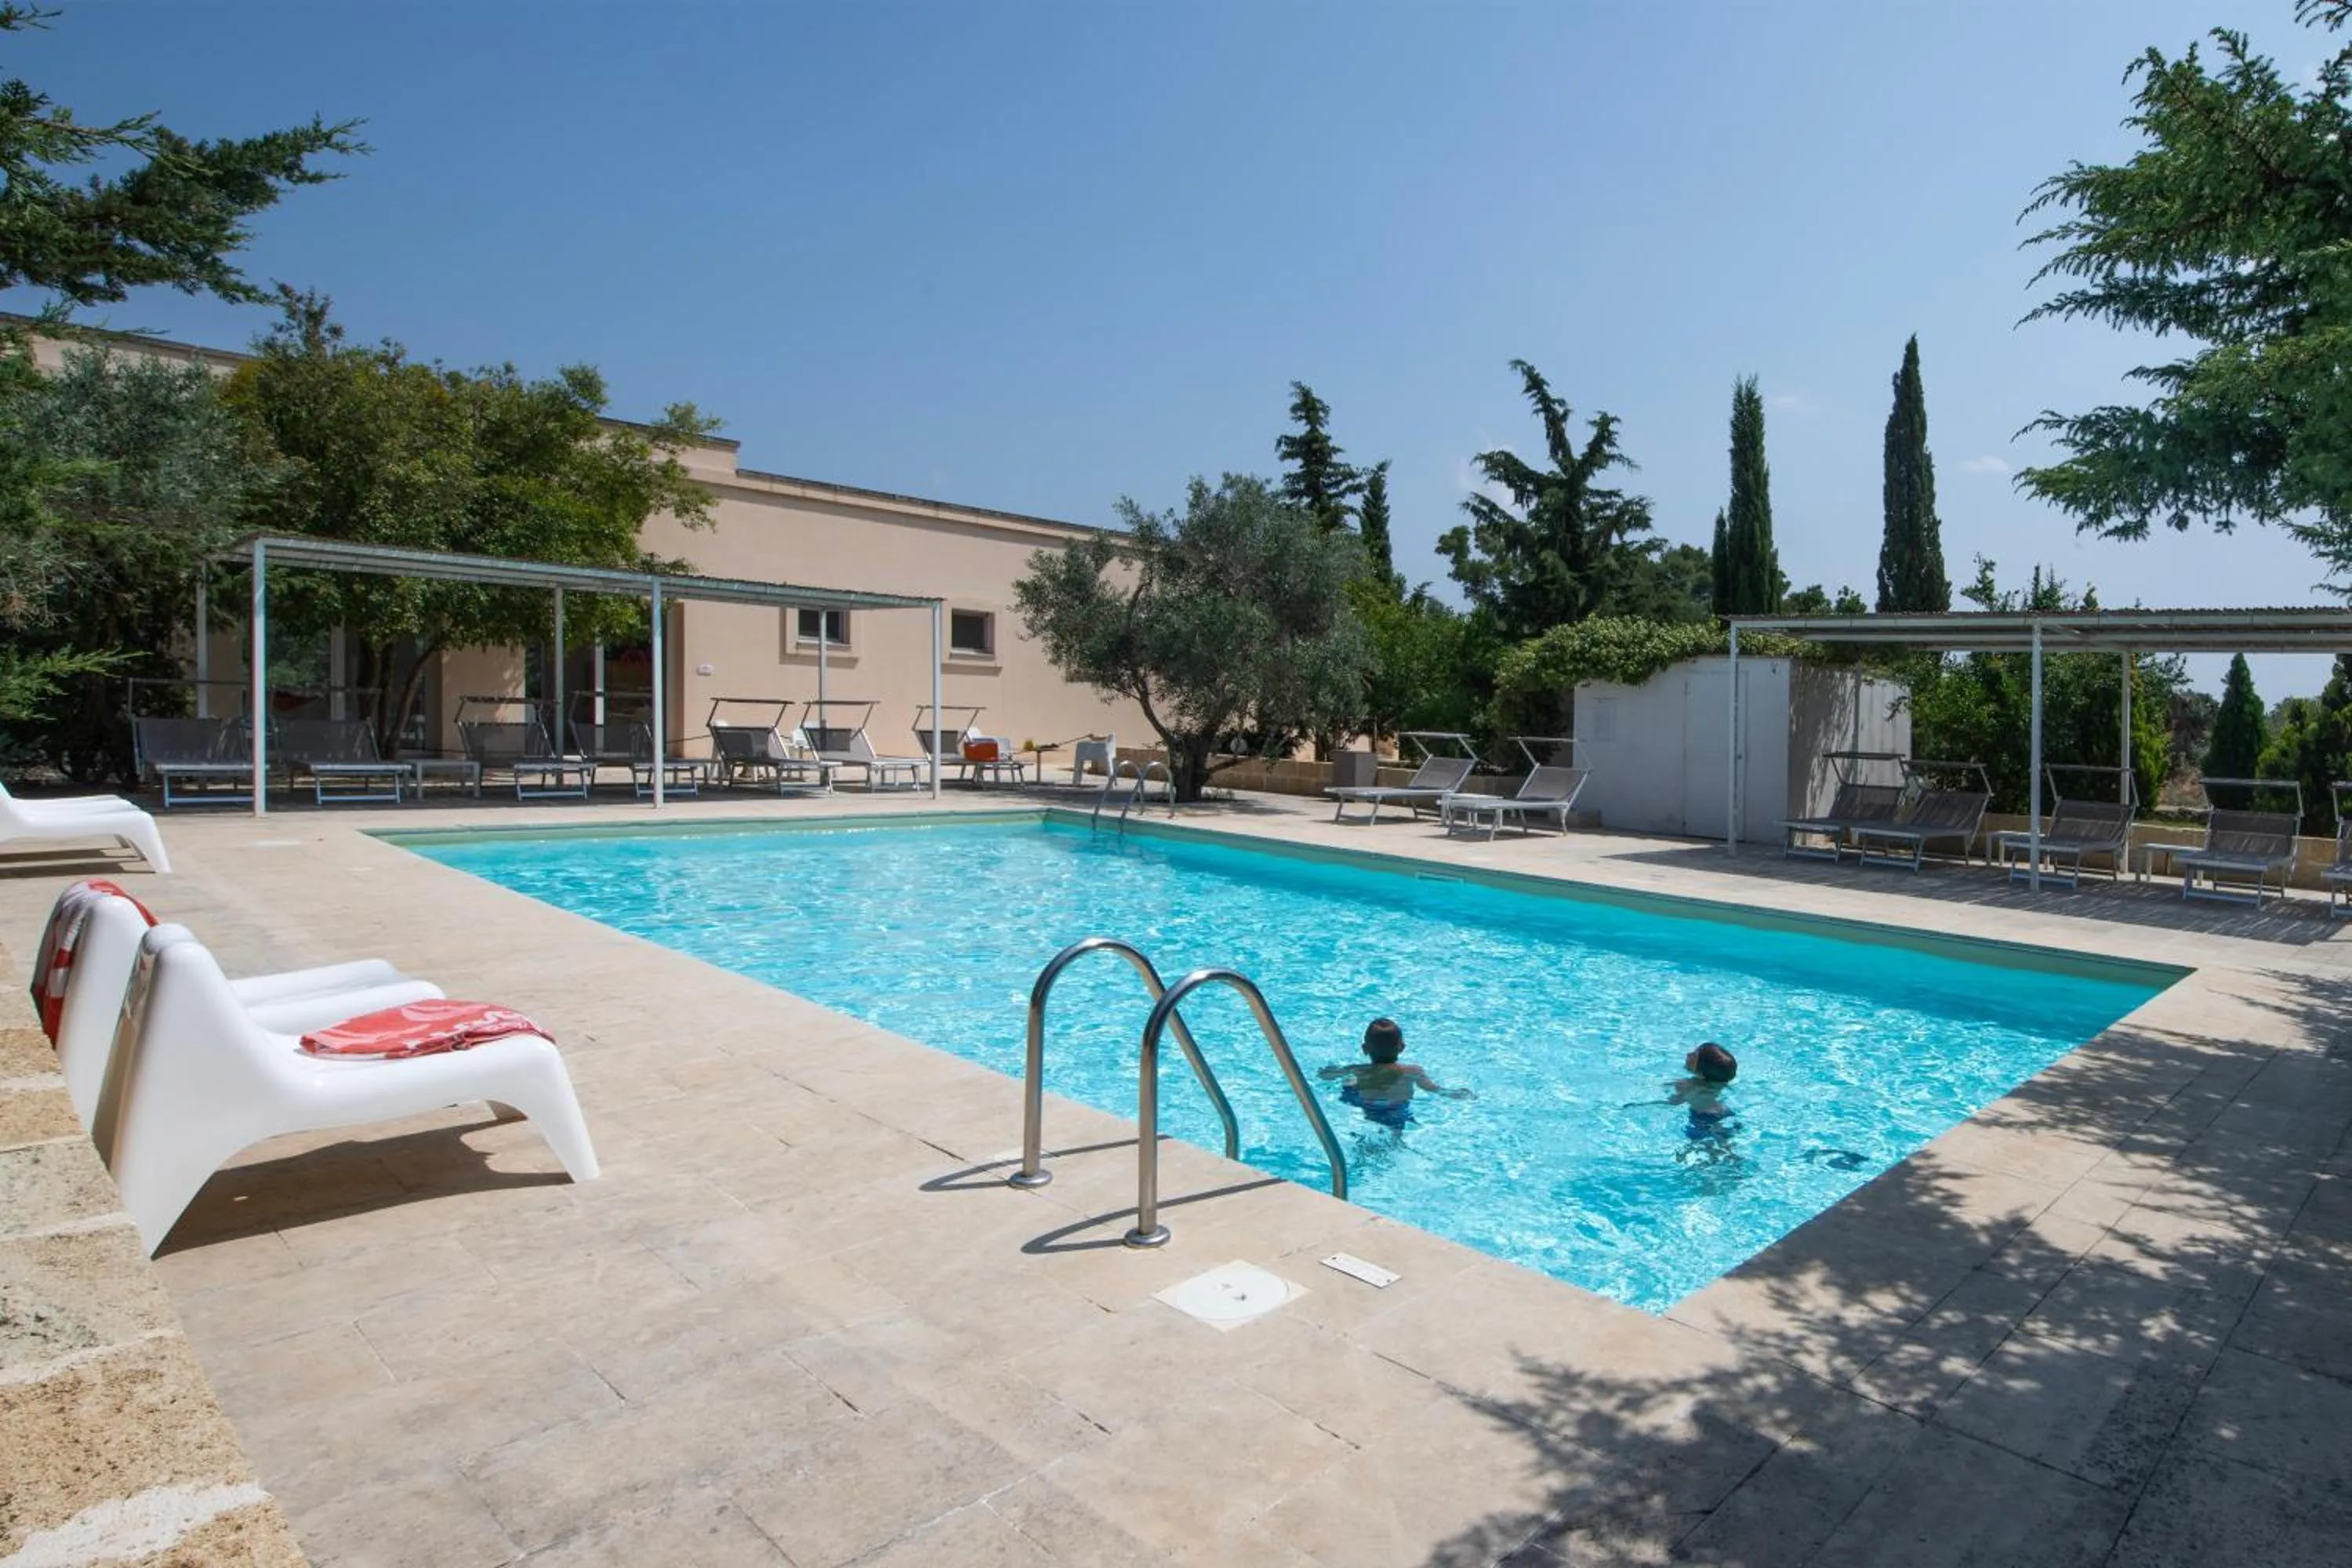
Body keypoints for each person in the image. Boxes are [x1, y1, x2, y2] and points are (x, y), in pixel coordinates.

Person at [1317, 1018, 1472, 1131]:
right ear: (1402, 1047)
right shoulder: (1413, 1072)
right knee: (1394, 1137)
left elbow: (1326, 1076)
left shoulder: (1358, 1070)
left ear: (1365, 1049)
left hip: (1367, 1104)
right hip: (1396, 1109)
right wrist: (1456, 1093)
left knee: (1350, 1084)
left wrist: (1328, 1071)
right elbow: (1434, 1089)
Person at [1628, 1042, 1740, 1152]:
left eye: (1694, 1056)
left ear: (1702, 1072)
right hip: (1724, 1112)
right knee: (1725, 1147)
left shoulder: (1686, 1085)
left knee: (1688, 1154)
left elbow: (1674, 1102)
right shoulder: (1719, 1083)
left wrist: (1642, 1104)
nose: (1688, 1054)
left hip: (1702, 1119)